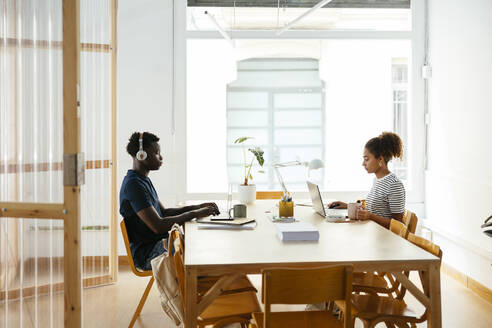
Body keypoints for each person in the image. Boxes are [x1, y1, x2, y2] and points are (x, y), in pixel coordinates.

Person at [119, 132, 220, 270]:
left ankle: (211, 285)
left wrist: (198, 207)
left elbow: (164, 212)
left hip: (159, 244)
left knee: (201, 244)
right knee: (198, 248)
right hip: (149, 254)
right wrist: (196, 213)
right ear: (141, 155)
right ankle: (202, 287)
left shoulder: (142, 181)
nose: (161, 157)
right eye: (156, 153)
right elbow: (159, 226)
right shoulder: (133, 185)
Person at [328, 132, 405, 229]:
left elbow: (398, 226)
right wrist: (349, 206)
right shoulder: (378, 180)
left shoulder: (394, 185)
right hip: (373, 233)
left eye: (367, 159)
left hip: (386, 239)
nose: (363, 164)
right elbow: (375, 211)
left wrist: (370, 216)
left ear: (380, 159)